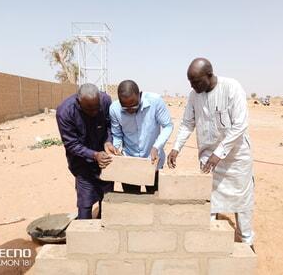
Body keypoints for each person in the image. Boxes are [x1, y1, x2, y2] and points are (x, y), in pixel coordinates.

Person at [167, 58, 255, 251]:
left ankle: (247, 242)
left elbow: (240, 125)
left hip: (236, 158)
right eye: (190, 82)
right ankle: (210, 241)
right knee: (209, 199)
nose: (192, 86)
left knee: (242, 203)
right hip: (209, 159)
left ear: (209, 75)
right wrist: (176, 148)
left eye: (196, 81)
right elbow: (187, 123)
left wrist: (219, 153)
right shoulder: (194, 95)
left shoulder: (231, 88)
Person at [56, 83, 117, 219]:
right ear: (79, 101)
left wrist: (108, 141)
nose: (94, 112)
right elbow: (71, 144)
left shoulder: (106, 101)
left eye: (97, 108)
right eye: (89, 109)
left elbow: (109, 126)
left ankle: (103, 226)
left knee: (107, 198)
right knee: (85, 201)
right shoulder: (65, 111)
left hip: (105, 161)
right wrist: (94, 155)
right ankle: (84, 231)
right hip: (82, 162)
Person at [109, 80, 174, 194]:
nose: (130, 110)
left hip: (153, 163)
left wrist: (156, 147)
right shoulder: (114, 109)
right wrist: (114, 148)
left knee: (155, 203)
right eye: (125, 108)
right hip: (129, 163)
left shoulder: (155, 101)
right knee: (132, 203)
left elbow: (168, 125)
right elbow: (117, 134)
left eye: (134, 105)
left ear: (140, 94)